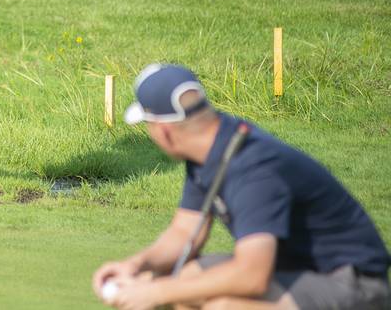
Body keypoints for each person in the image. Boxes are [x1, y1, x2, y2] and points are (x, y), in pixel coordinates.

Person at [92, 64, 390, 309]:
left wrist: (158, 292)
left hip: (353, 285)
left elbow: (252, 276)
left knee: (223, 307)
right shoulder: (209, 150)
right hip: (292, 271)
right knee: (186, 278)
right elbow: (185, 232)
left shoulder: (252, 168)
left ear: (165, 131)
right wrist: (137, 265)